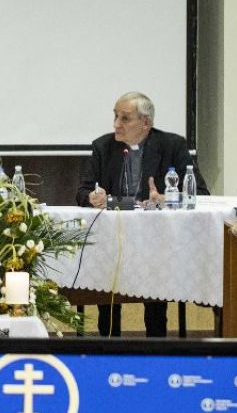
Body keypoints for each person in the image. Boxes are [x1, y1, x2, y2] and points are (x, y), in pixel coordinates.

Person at [76, 91, 210, 338]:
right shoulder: (103, 147)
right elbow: (82, 191)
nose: (116, 124)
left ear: (146, 122)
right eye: (115, 116)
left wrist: (168, 198)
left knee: (155, 292)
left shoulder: (173, 146)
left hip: (156, 243)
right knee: (107, 289)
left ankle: (156, 345)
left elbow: (200, 193)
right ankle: (108, 345)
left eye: (125, 118)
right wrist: (93, 197)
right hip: (113, 241)